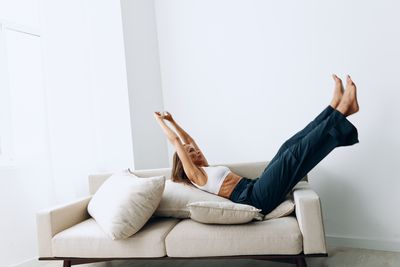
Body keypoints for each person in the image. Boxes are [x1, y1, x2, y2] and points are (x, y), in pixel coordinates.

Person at [154, 74, 359, 215]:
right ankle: (342, 110)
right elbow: (176, 142)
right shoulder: (196, 176)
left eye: (195, 150)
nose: (196, 152)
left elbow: (188, 140)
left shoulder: (205, 168)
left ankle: (334, 109)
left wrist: (172, 121)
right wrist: (160, 122)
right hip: (254, 199)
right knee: (293, 155)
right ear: (185, 162)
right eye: (191, 153)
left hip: (254, 186)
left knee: (288, 147)